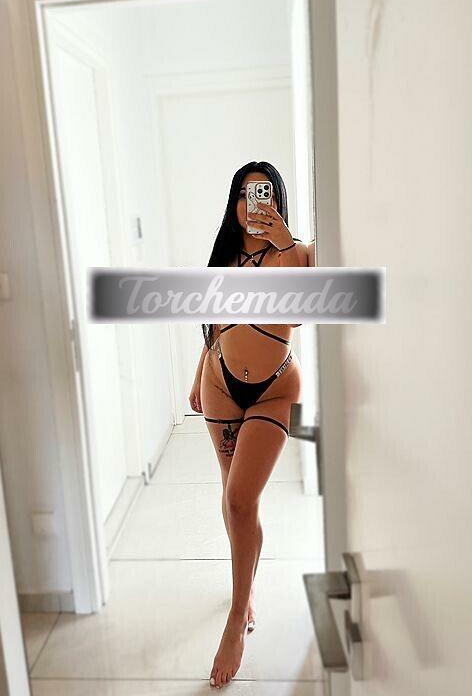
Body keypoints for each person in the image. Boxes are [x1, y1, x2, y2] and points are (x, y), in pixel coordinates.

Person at [189, 161, 310, 689]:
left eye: (262, 193)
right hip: (219, 385)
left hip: (274, 389)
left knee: (241, 500)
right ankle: (248, 587)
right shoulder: (225, 255)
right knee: (232, 498)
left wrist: (284, 240)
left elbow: (302, 308)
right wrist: (199, 372)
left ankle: (236, 620)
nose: (250, 203)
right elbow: (214, 325)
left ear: (276, 199)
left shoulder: (294, 253)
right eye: (243, 193)